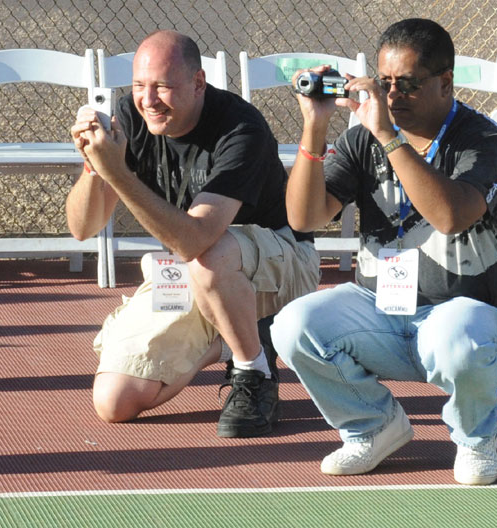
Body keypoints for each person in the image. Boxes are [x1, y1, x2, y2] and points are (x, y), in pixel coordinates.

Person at [272, 18, 497, 486]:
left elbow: (450, 215)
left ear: (445, 82)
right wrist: (315, 126)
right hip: (381, 307)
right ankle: (374, 426)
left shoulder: (483, 139)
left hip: (463, 312)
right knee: (294, 325)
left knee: (460, 337)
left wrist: (390, 138)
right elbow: (304, 218)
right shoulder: (361, 136)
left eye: (406, 84)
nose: (390, 96)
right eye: (383, 83)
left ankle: (475, 440)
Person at [67, 30, 320, 437]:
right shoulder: (131, 119)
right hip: (192, 271)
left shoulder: (241, 128)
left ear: (198, 83)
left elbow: (195, 239)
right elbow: (83, 228)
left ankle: (253, 372)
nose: (148, 100)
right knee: (114, 402)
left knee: (212, 253)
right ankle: (233, 336)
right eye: (139, 86)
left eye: (163, 87)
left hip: (282, 265)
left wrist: (117, 172)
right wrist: (94, 166)